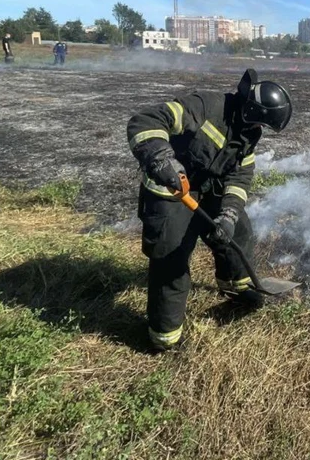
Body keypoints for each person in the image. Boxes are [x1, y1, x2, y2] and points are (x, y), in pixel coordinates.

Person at [126, 69, 293, 352]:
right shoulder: (204, 106)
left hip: (207, 190)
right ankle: (164, 338)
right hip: (170, 191)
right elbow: (145, 121)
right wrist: (162, 160)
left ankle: (235, 286)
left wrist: (227, 215)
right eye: (261, 123)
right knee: (172, 261)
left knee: (238, 231)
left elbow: (240, 176)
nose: (260, 130)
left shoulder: (250, 131)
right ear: (251, 109)